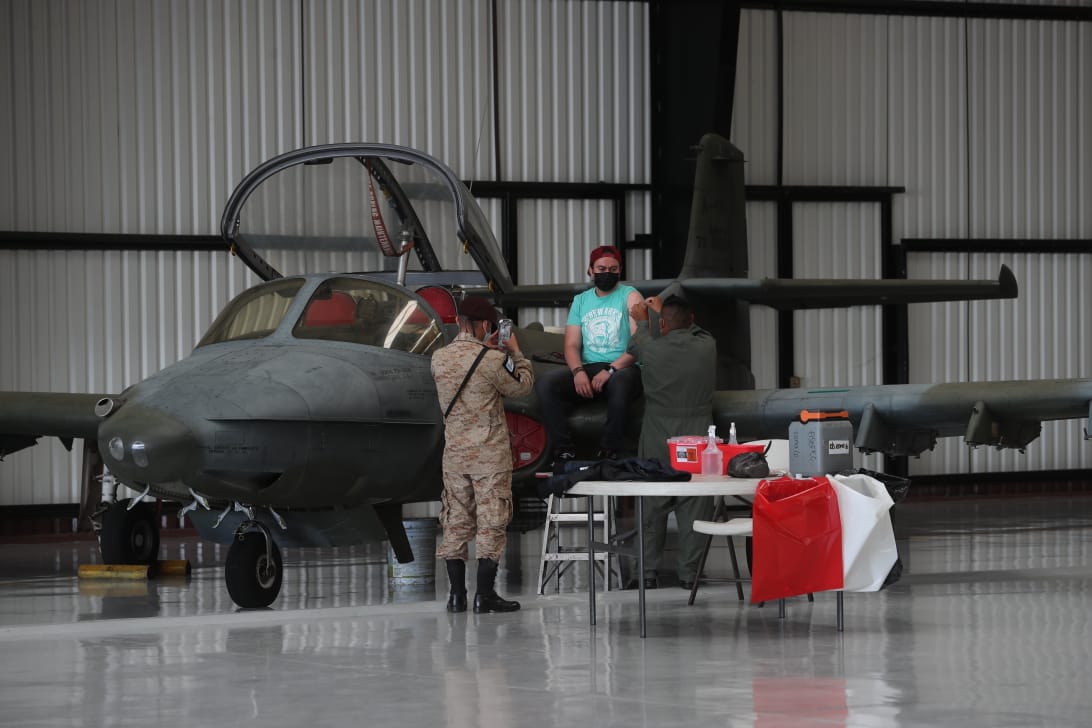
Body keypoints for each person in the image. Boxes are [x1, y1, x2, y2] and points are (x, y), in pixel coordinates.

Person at [431, 295, 535, 614]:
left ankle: (456, 596)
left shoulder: (438, 358)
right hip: (489, 456)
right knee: (491, 522)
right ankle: (485, 595)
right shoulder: (491, 361)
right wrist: (515, 353)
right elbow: (522, 387)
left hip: (455, 457)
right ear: (487, 326)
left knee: (456, 522)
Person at [627, 294, 717, 590]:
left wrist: (645, 319)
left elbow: (638, 342)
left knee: (652, 503)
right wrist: (660, 315)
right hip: (697, 433)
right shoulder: (707, 345)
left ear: (663, 323)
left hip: (658, 433)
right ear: (691, 321)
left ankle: (646, 572)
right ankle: (690, 574)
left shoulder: (649, 346)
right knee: (694, 505)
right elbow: (694, 328)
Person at [535, 245, 644, 463]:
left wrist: (611, 369)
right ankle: (564, 450)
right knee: (546, 383)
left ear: (620, 270)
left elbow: (639, 343)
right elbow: (571, 345)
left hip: (623, 367)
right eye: (601, 268)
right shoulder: (581, 300)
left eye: (613, 269)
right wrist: (577, 372)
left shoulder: (630, 296)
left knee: (621, 381)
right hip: (590, 367)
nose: (607, 273)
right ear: (590, 271)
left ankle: (609, 450)